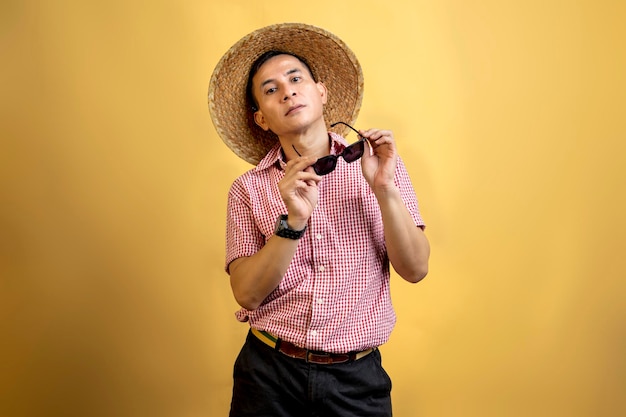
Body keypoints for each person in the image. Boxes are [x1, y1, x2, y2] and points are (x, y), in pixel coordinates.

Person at [208, 23, 430, 417]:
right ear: (261, 119)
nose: (288, 91)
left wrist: (384, 189)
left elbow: (415, 269)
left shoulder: (378, 166)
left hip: (357, 381)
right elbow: (247, 293)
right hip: (268, 376)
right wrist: (292, 219)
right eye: (271, 89)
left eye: (296, 79)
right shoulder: (248, 189)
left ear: (321, 91)